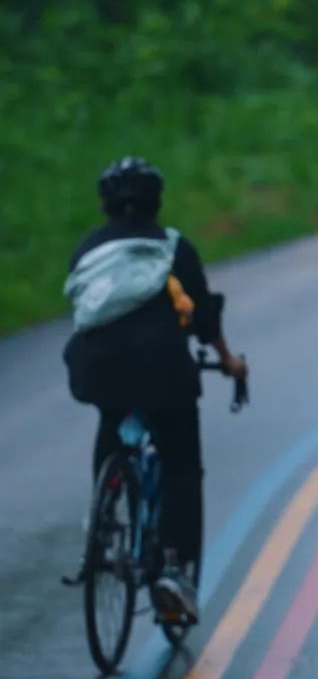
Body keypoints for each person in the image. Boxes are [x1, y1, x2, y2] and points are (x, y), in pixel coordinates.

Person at [63, 157, 247, 625]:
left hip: (96, 368)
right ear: (155, 201)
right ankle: (172, 570)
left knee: (111, 420)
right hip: (162, 368)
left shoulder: (87, 249)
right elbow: (204, 315)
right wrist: (228, 360)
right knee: (181, 463)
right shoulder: (172, 247)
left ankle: (102, 523)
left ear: (105, 203)